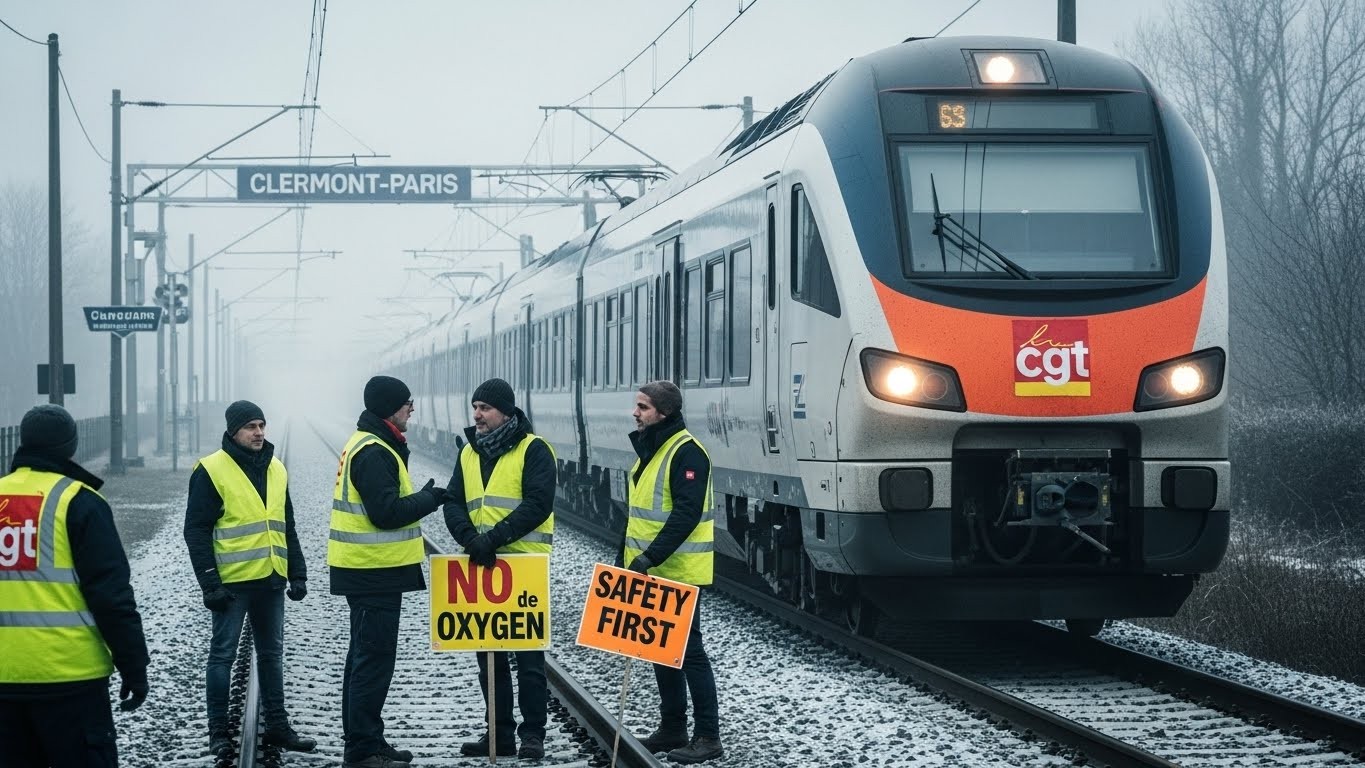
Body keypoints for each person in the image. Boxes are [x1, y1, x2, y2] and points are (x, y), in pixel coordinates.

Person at [0, 404, 150, 767]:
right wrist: (133, 665)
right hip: (70, 678)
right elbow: (111, 597)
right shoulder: (79, 502)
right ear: (71, 446)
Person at [330, 375, 450, 768]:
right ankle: (363, 749)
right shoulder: (374, 451)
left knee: (363, 658)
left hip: (370, 571)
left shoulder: (370, 443)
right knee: (373, 660)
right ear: (389, 408)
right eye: (407, 403)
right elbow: (385, 514)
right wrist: (429, 499)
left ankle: (366, 740)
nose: (412, 409)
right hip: (373, 572)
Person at [184, 400, 315, 758]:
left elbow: (286, 525)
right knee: (222, 656)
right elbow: (196, 530)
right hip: (232, 584)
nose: (258, 433)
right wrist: (210, 584)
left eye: (261, 425)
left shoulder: (276, 468)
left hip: (271, 579)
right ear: (233, 432)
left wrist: (297, 572)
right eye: (250, 427)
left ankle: (277, 726)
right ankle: (218, 732)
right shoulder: (211, 470)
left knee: (271, 656)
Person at [444, 378, 556, 761]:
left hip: (523, 567)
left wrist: (493, 538)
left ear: (505, 412)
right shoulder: (468, 452)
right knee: (488, 660)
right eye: (475, 406)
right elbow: (453, 500)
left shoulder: (534, 450)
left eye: (485, 408)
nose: (477, 414)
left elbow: (538, 504)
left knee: (529, 661)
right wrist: (468, 536)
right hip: (482, 568)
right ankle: (499, 732)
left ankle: (532, 735)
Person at [623, 381, 723, 764]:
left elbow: (686, 514)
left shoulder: (686, 453)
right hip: (653, 568)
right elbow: (639, 517)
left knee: (688, 652)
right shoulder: (654, 449)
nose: (636, 413)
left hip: (678, 569)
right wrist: (629, 560)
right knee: (660, 650)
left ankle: (708, 736)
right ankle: (673, 728)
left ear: (662, 413)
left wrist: (650, 557)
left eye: (643, 407)